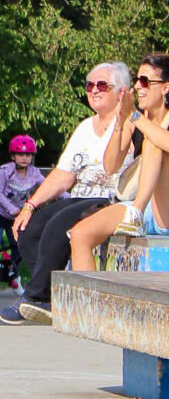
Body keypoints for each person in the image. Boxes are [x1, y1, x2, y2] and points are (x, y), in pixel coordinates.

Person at [0, 61, 133, 325]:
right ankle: (50, 296)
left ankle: (35, 297)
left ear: (120, 91)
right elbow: (63, 175)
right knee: (28, 228)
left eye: (102, 85)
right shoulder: (85, 128)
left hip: (109, 197)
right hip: (79, 197)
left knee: (58, 226)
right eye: (89, 85)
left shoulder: (128, 124)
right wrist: (30, 205)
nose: (94, 90)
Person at [69, 55, 169, 266]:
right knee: (81, 234)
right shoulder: (137, 117)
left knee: (153, 141)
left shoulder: (140, 117)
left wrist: (134, 115)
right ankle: (88, 299)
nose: (137, 86)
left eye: (145, 81)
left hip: (163, 209)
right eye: (136, 79)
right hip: (144, 207)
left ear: (165, 87)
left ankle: (136, 213)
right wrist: (120, 121)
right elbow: (110, 166)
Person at [0, 135, 44, 294]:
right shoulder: (5, 171)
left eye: (28, 155)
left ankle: (14, 278)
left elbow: (48, 187)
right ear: (13, 156)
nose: (25, 158)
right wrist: (12, 209)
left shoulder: (34, 173)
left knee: (20, 245)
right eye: (20, 154)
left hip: (16, 216)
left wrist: (68, 196)